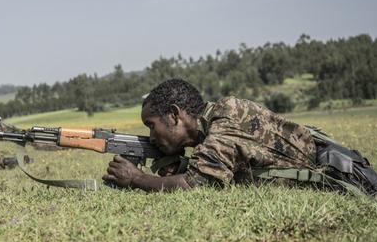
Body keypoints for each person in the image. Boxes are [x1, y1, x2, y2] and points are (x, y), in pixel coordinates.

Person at [103, 79, 318, 191]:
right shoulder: (216, 119)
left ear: (174, 114)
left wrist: (136, 178)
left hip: (323, 182)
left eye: (151, 125)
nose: (151, 137)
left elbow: (193, 185)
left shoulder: (226, 117)